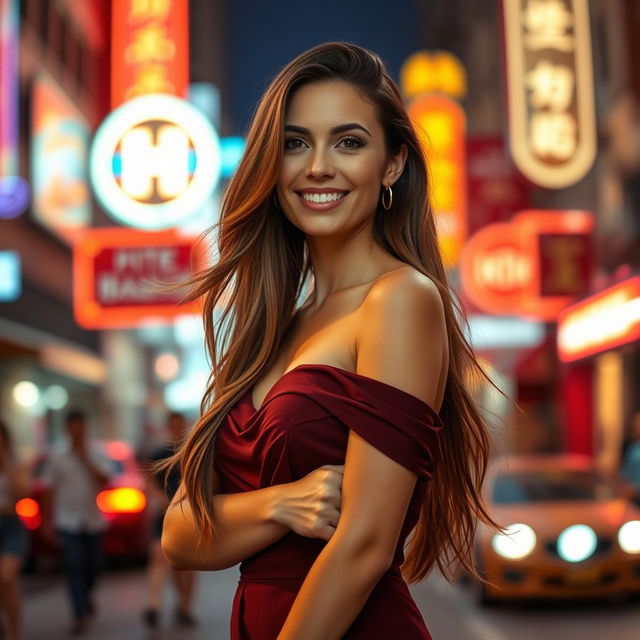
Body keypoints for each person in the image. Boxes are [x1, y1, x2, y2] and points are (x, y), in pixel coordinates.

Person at [160, 42, 502, 639]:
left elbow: (365, 546)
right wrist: (279, 502)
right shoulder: (272, 328)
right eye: (295, 143)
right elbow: (181, 537)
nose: (317, 166)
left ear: (392, 164)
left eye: (349, 142)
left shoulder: (401, 299)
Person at [40, 410, 113, 637]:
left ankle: (86, 595)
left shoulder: (96, 451)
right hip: (67, 519)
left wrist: (85, 459)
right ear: (67, 429)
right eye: (73, 427)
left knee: (93, 565)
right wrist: (47, 521)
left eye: (80, 427)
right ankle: (78, 612)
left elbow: (105, 479)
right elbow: (49, 488)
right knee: (73, 564)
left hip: (91, 519)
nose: (77, 432)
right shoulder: (57, 454)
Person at [142, 411, 197, 629]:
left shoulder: (193, 451)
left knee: (186, 564)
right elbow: (147, 479)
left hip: (187, 514)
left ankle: (184, 606)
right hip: (165, 513)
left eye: (180, 425)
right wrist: (160, 498)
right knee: (159, 557)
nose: (176, 429)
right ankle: (153, 606)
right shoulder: (160, 453)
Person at [0, 420, 31, 640]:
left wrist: (5, 462)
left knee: (7, 578)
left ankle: (15, 634)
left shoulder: (17, 463)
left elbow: (23, 493)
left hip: (10, 524)